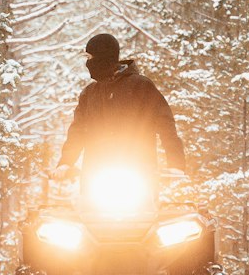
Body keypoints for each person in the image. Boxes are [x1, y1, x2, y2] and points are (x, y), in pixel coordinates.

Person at [54, 33, 187, 182]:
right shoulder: (89, 93)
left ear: (103, 57)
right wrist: (66, 163)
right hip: (96, 178)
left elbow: (165, 124)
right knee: (86, 205)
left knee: (145, 205)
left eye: (90, 58)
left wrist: (176, 164)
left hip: (139, 177)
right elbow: (78, 131)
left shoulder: (141, 86)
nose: (88, 63)